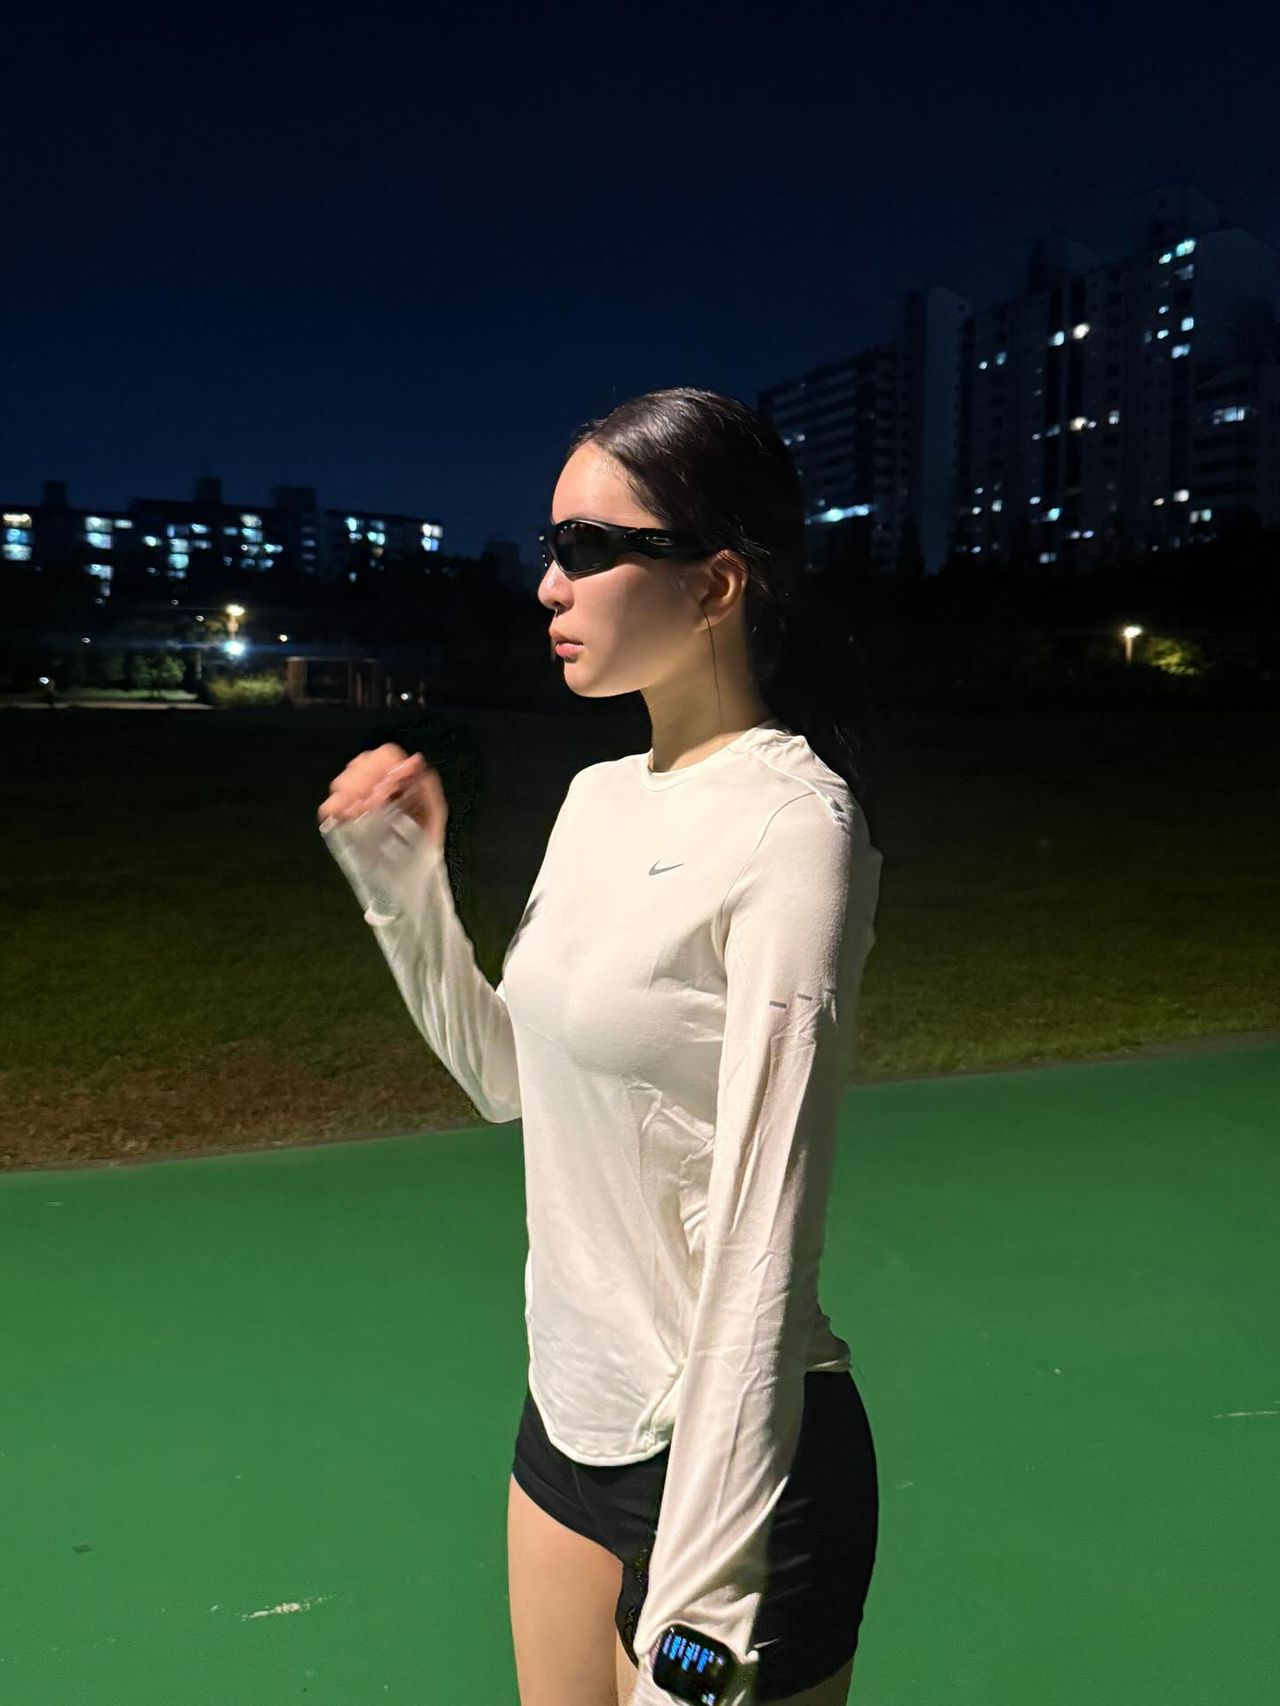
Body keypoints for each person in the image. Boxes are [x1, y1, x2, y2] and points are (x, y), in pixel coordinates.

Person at [317, 387, 884, 1706]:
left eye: (586, 547)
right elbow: (507, 1080)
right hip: (568, 1426)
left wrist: (710, 1582)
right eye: (549, 544)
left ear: (716, 582)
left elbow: (765, 1229)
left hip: (738, 1469)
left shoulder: (794, 828)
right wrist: (405, 898)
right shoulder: (596, 797)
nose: (547, 584)